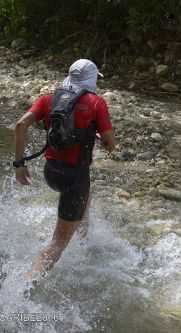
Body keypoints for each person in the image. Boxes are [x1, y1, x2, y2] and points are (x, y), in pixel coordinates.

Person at [13, 59, 115, 280]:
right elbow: (109, 142)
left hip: (52, 172)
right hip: (74, 178)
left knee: (86, 197)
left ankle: (84, 241)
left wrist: (19, 164)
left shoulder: (49, 99)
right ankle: (22, 287)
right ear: (92, 79)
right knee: (57, 244)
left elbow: (20, 125)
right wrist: (105, 143)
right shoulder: (96, 103)